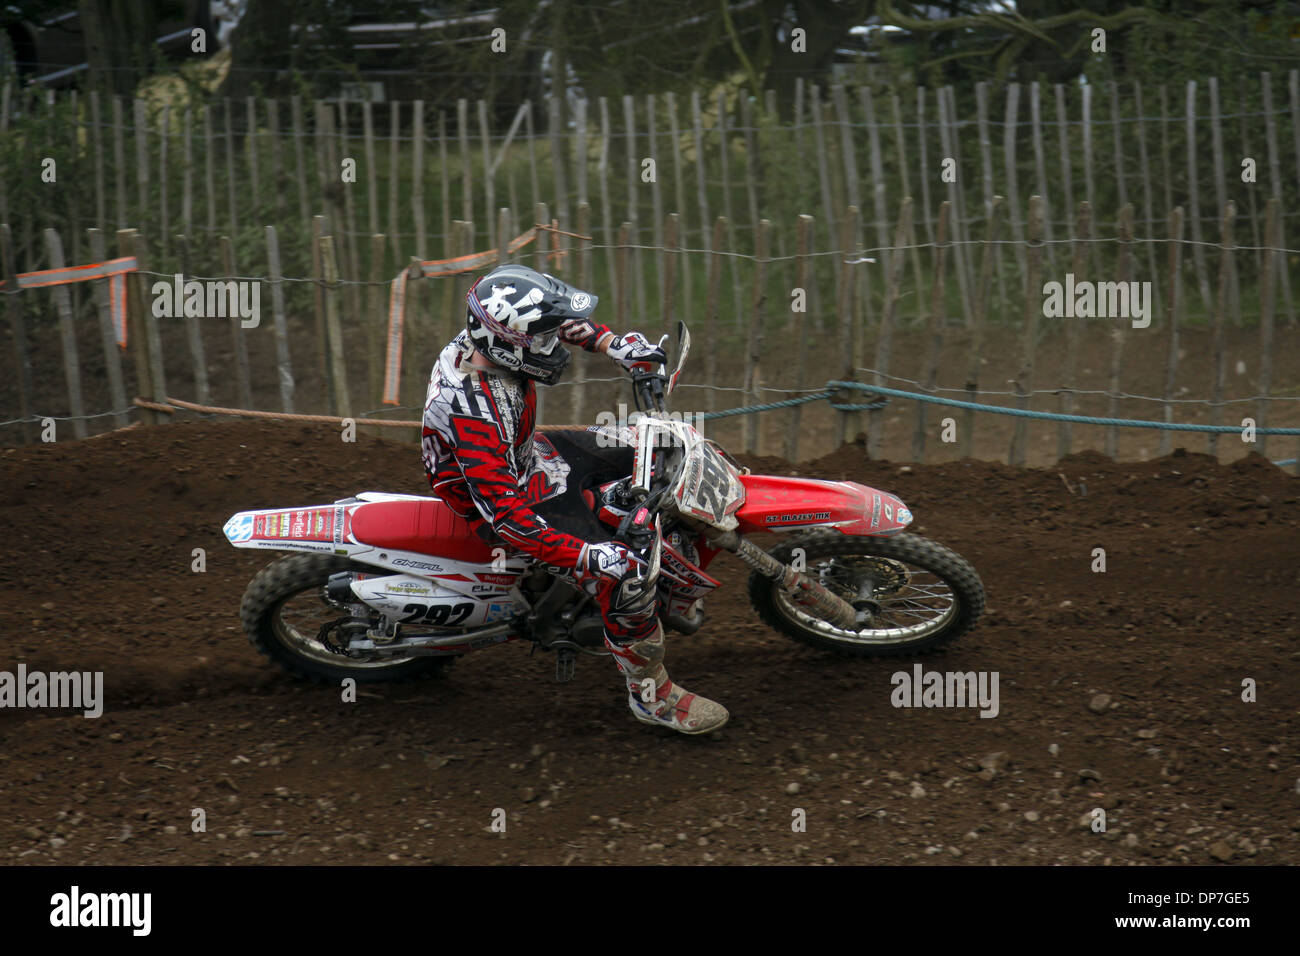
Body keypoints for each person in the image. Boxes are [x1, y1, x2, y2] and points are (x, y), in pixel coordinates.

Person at [420, 263, 728, 735]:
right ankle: (651, 696)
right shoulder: (472, 412)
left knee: (658, 442)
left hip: (529, 456)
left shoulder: (492, 339)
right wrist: (590, 555)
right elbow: (506, 518)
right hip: (505, 498)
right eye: (541, 341)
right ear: (506, 344)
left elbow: (559, 321)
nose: (553, 344)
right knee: (625, 575)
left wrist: (616, 345)